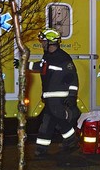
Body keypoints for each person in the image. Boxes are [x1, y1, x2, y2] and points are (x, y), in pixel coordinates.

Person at [28, 28, 80, 157]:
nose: (42, 44)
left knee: (54, 121)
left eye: (44, 41)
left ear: (51, 42)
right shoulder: (48, 57)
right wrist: (23, 64)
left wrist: (72, 96)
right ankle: (64, 142)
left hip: (58, 97)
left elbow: (73, 78)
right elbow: (40, 67)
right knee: (50, 122)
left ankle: (67, 141)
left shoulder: (63, 58)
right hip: (50, 96)